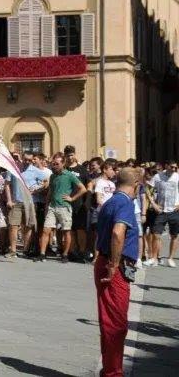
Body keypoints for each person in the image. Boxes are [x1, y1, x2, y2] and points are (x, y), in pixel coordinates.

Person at [94, 167, 140, 377]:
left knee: (110, 321)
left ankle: (109, 369)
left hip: (107, 262)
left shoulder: (111, 201)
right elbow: (117, 233)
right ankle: (113, 372)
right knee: (116, 324)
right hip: (115, 266)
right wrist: (114, 264)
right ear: (136, 185)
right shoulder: (124, 203)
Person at [35, 154, 87, 263]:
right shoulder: (52, 176)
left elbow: (83, 189)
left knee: (66, 231)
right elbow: (50, 192)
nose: (54, 166)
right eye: (53, 164)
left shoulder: (69, 175)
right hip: (52, 207)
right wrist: (47, 205)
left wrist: (72, 198)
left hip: (64, 207)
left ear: (63, 163)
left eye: (57, 164)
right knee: (46, 230)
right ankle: (42, 254)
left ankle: (65, 254)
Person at [5, 151, 48, 258]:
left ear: (33, 160)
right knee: (13, 226)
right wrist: (9, 200)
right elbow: (7, 184)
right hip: (16, 202)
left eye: (30, 160)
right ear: (22, 158)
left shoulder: (35, 170)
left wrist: (37, 189)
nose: (27, 162)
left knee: (28, 226)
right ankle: (13, 250)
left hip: (30, 202)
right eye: (25, 159)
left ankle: (26, 250)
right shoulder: (14, 168)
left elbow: (47, 181)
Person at [146, 161, 179, 268]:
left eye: (175, 168)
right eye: (172, 167)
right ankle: (154, 258)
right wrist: (153, 203)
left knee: (174, 235)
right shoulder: (157, 176)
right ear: (166, 166)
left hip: (174, 210)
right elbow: (147, 188)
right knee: (156, 234)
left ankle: (170, 258)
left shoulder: (177, 177)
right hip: (161, 210)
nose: (173, 169)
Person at [64, 145, 91, 262]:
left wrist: (88, 200)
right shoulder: (64, 169)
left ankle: (82, 251)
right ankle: (72, 251)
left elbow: (89, 184)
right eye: (67, 155)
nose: (70, 157)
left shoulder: (82, 169)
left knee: (80, 229)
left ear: (75, 154)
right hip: (66, 204)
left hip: (79, 204)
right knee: (69, 229)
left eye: (71, 155)